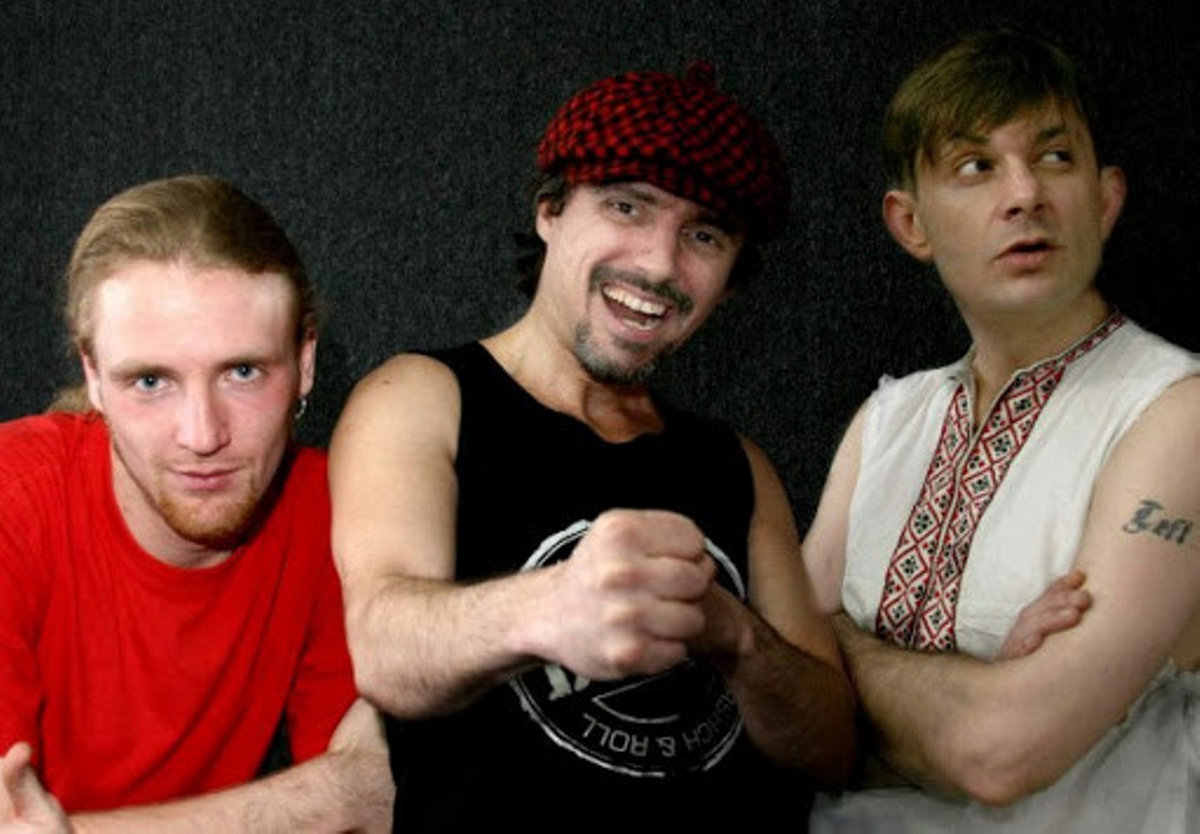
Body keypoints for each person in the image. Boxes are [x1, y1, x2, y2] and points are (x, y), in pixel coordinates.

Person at [329, 64, 856, 831]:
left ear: (731, 281)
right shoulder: (422, 397)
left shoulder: (736, 464)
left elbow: (832, 748)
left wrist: (732, 633)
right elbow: (384, 652)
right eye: (626, 206)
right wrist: (552, 606)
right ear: (550, 211)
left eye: (703, 235)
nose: (658, 264)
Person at [803, 30, 1200, 832]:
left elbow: (1000, 752)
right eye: (975, 166)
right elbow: (774, 706)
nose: (1024, 194)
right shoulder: (888, 422)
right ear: (910, 223)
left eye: (1054, 157)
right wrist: (976, 683)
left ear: (1105, 199)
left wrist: (839, 647)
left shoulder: (1176, 413)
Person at [0, 175, 393, 832]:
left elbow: (375, 800)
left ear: (305, 361)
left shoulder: (340, 512)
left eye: (242, 372)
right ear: (93, 376)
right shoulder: (12, 499)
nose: (202, 435)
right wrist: (323, 799)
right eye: (150, 381)